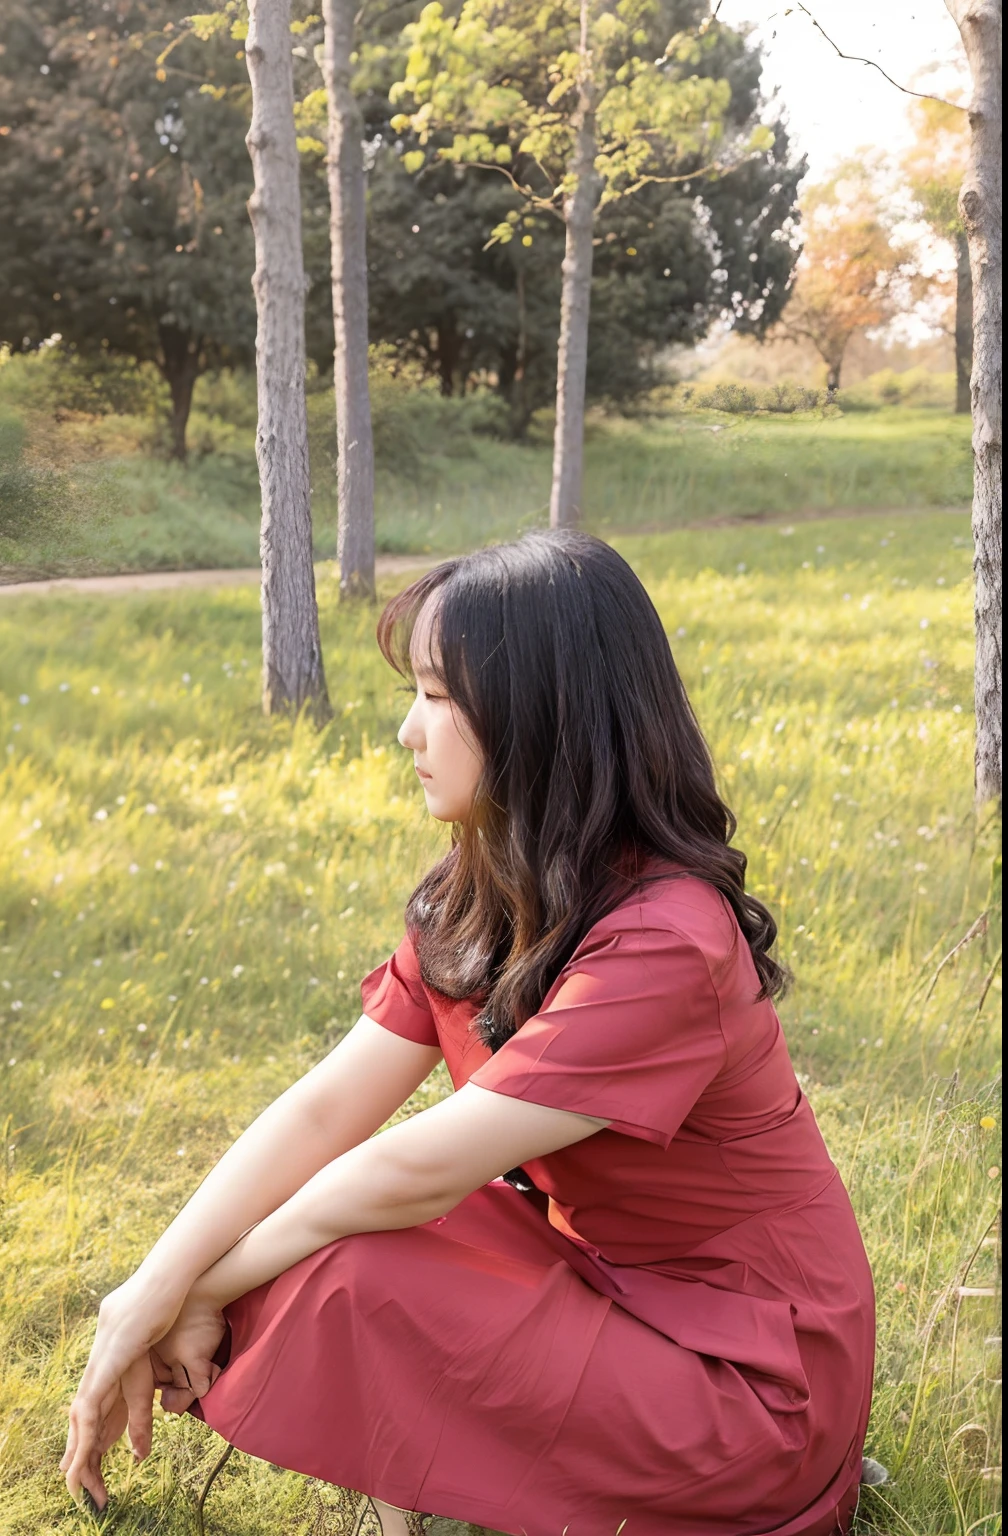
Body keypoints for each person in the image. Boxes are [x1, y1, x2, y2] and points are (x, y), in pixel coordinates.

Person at [61, 530, 875, 1536]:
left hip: (748, 1383)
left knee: (349, 1244)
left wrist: (187, 1297)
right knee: (336, 1243)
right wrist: (148, 1288)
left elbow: (408, 1174)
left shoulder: (667, 941)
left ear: (546, 716)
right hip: (611, 1286)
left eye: (441, 698)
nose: (409, 730)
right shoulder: (485, 895)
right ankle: (433, 1493)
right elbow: (327, 1110)